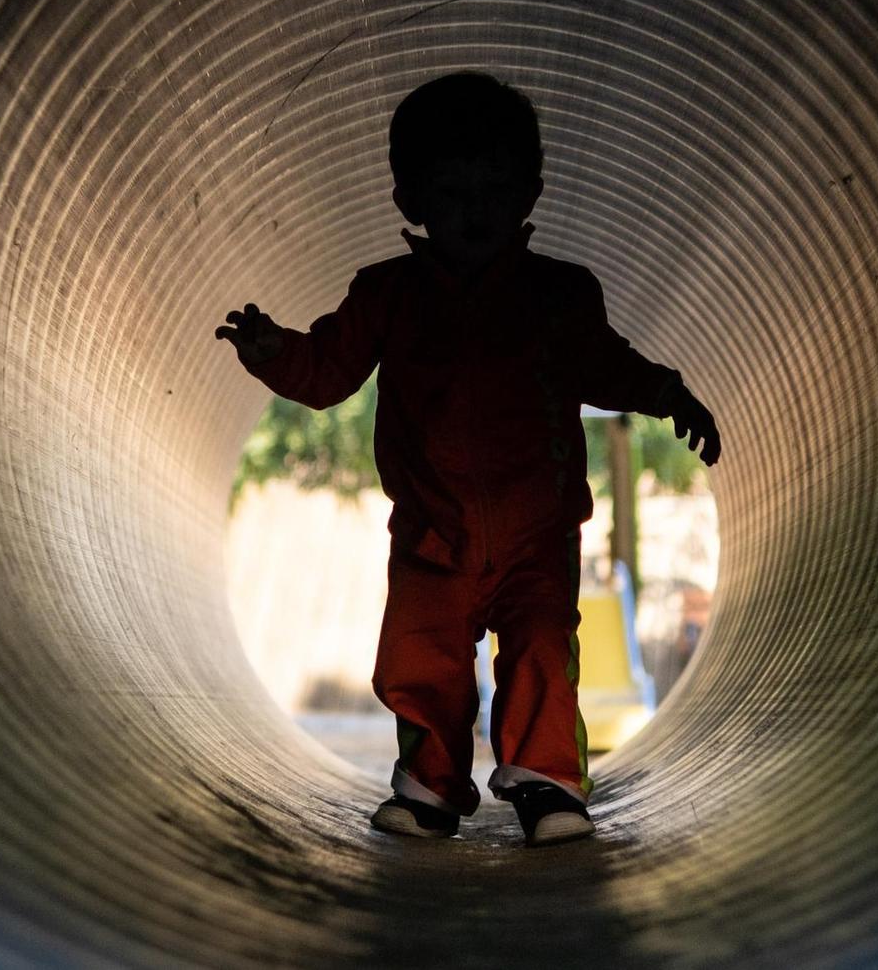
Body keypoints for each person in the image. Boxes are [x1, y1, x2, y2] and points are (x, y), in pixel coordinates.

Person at [215, 71, 723, 846]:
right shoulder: (387, 294)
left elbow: (606, 363)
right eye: (451, 190)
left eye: (494, 186)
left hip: (535, 534)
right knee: (420, 660)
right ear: (408, 200)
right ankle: (429, 788)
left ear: (531, 191)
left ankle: (550, 785)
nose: (475, 209)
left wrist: (670, 392)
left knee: (544, 649)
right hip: (432, 536)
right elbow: (326, 370)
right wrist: (271, 350)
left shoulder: (558, 294)